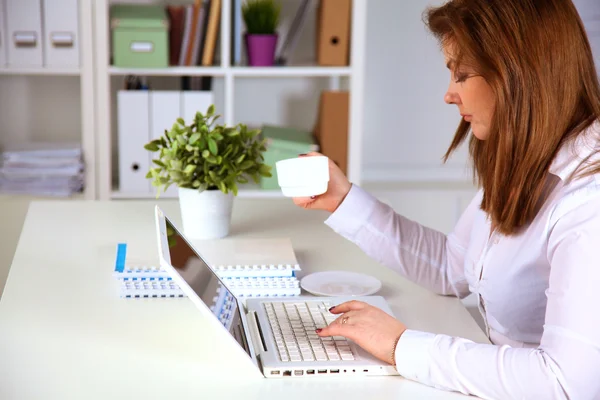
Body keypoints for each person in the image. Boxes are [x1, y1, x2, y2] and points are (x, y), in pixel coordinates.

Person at [292, 0, 600, 398]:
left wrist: (400, 345)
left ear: (518, 72)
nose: (449, 94)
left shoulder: (587, 202)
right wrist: (342, 199)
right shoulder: (530, 160)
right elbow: (450, 267)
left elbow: (566, 383)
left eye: (462, 74)